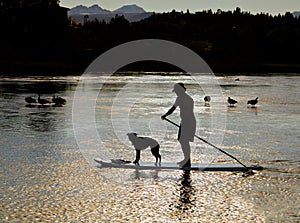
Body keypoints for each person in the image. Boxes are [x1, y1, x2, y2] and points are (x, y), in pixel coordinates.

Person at [161, 83, 196, 167]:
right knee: (182, 140)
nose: (176, 93)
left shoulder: (185, 99)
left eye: (176, 91)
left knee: (184, 141)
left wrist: (165, 115)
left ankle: (187, 161)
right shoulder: (183, 98)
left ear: (180, 90)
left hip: (188, 122)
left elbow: (173, 109)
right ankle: (186, 159)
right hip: (185, 121)